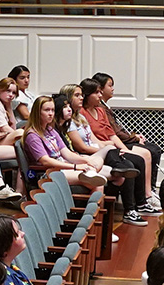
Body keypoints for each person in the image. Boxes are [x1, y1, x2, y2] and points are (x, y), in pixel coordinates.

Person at [57, 85, 146, 226]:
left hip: (91, 152)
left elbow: (94, 140)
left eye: (81, 94)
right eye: (77, 95)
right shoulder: (66, 124)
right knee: (127, 165)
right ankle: (128, 211)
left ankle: (137, 204)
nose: (81, 98)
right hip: (83, 154)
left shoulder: (80, 117)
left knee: (122, 154)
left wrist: (111, 148)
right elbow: (80, 147)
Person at [79, 78, 160, 214]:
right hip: (101, 150)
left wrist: (124, 149)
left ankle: (142, 203)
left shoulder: (100, 111)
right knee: (130, 164)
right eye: (96, 93)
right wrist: (109, 147)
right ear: (88, 95)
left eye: (100, 92)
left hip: (111, 148)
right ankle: (130, 209)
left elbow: (112, 135)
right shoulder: (82, 113)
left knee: (139, 158)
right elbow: (91, 139)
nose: (100, 95)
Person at [21, 96, 110, 190]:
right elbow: (46, 161)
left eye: (52, 110)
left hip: (62, 166)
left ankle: (91, 172)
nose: (51, 114)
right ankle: (91, 177)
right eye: (47, 110)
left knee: (97, 160)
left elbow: (67, 153)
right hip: (48, 173)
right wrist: (75, 166)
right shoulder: (32, 135)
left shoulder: (50, 130)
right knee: (97, 183)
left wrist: (86, 161)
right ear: (37, 113)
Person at [0, 78, 24, 146]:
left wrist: (9, 107)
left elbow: (13, 127)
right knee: (20, 133)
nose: (11, 95)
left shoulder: (3, 104)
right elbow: (5, 129)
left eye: (14, 93)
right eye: (8, 91)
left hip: (2, 137)